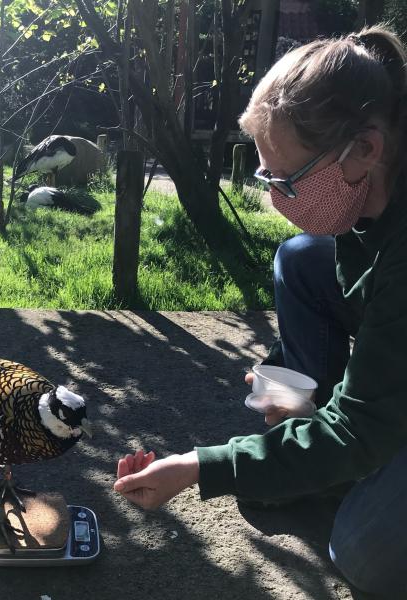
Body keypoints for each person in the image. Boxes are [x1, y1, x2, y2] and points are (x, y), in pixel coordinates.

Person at [113, 26, 407, 599]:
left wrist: (200, 466)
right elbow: (359, 287)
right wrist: (289, 374)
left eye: (289, 180)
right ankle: (321, 449)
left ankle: (352, 473)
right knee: (300, 258)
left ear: (365, 149)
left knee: (363, 553)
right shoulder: (371, 185)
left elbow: (363, 425)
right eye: (266, 175)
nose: (276, 197)